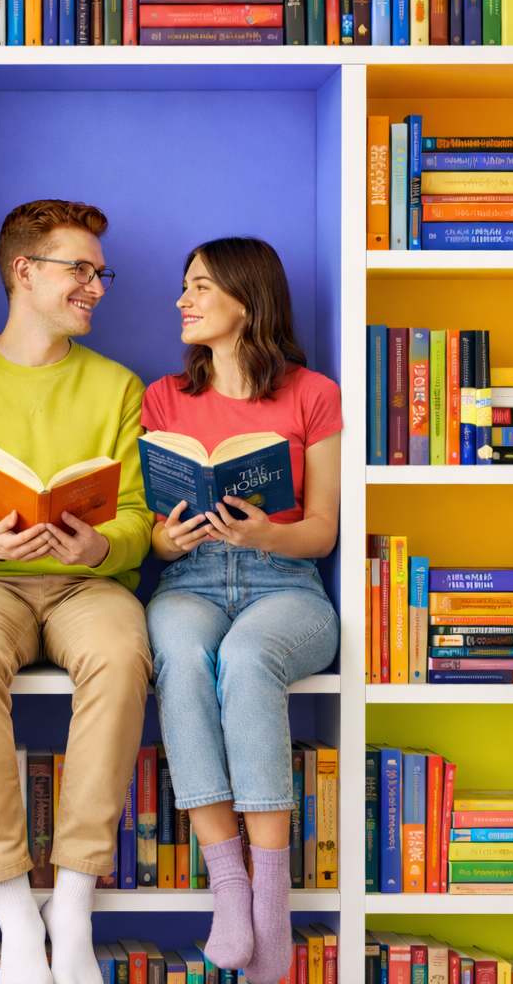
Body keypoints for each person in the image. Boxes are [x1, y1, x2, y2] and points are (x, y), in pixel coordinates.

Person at [0, 199, 155, 984]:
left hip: (86, 582)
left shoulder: (118, 386)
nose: (96, 285)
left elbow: (136, 515)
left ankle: (72, 895)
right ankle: (10, 904)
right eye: (80, 270)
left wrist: (103, 542)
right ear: (25, 272)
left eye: (101, 273)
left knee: (125, 655)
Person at [142, 238, 340, 984]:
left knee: (250, 659)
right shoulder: (164, 397)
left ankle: (271, 899)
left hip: (284, 583)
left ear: (246, 299)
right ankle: (231, 887)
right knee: (183, 655)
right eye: (184, 285)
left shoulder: (312, 393)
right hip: (190, 579)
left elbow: (324, 528)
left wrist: (266, 533)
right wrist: (169, 536)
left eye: (199, 286)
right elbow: (157, 542)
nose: (182, 301)